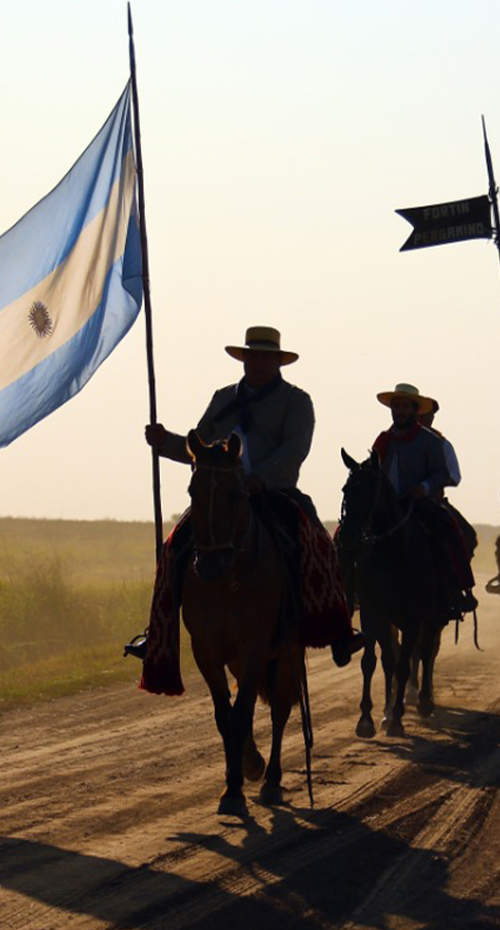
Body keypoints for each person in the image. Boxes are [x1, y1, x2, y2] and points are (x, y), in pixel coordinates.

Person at [140, 326, 363, 666]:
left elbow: (294, 450)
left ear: (277, 362)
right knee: (175, 548)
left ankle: (337, 629)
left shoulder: (296, 401)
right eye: (252, 356)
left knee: (319, 544)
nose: (257, 362)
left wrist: (261, 479)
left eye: (265, 357)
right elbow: (198, 444)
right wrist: (165, 441)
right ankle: (158, 633)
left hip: (275, 492)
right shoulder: (223, 398)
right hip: (223, 494)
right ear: (244, 360)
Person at [373, 382, 477, 620]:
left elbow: (448, 474)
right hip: (387, 504)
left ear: (414, 410)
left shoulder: (431, 441)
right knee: (350, 535)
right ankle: (349, 593)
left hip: (420, 504)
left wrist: (425, 487)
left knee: (451, 532)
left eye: (404, 406)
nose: (399, 411)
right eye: (395, 406)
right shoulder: (383, 441)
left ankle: (458, 591)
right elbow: (374, 470)